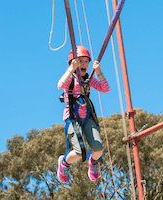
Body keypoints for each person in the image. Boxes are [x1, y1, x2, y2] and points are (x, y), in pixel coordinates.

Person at [57, 46, 110, 183]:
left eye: (86, 61)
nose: (84, 64)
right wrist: (70, 69)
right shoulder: (71, 78)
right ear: (73, 63)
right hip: (73, 117)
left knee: (98, 148)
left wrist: (98, 71)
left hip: (87, 117)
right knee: (81, 152)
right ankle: (64, 163)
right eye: (80, 61)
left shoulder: (88, 79)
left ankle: (93, 163)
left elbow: (105, 88)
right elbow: (60, 85)